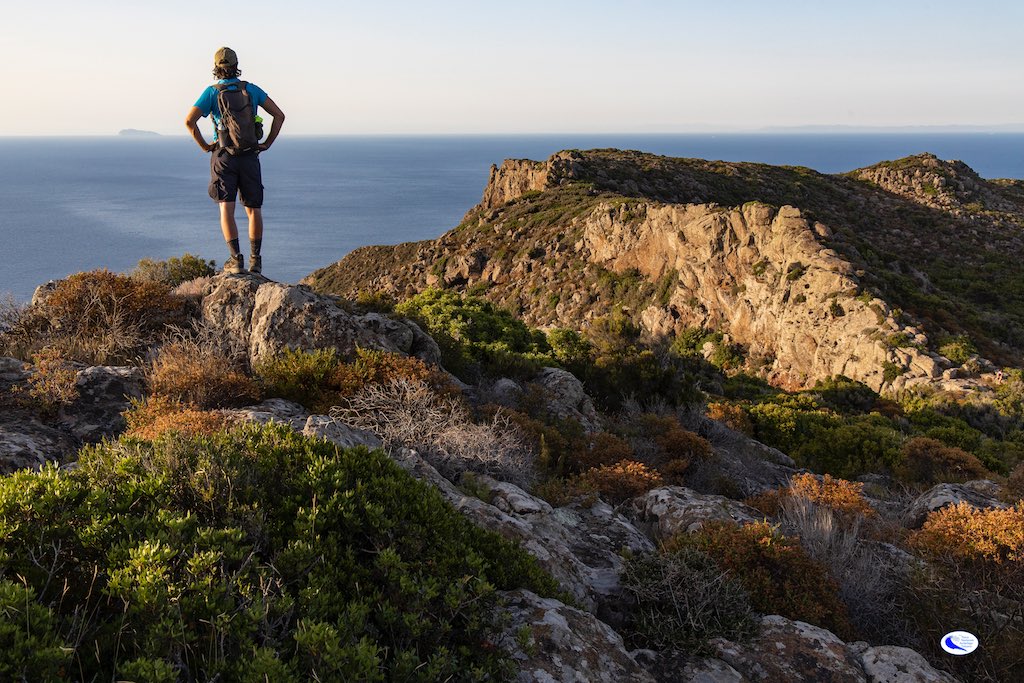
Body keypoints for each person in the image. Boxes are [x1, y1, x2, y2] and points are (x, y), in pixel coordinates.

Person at [184, 47, 285, 274]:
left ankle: (235, 260)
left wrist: (205, 147)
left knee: (226, 210)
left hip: (223, 157)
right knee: (253, 209)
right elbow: (279, 115)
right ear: (237, 64)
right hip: (250, 155)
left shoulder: (211, 92)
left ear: (216, 68)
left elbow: (189, 121)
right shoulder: (251, 89)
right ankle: (255, 260)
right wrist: (267, 143)